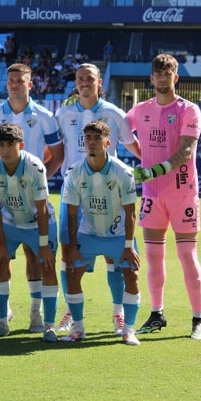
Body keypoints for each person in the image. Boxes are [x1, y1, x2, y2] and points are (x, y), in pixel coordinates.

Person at [54, 63, 141, 334]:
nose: (84, 82)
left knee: (116, 261)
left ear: (99, 81)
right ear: (75, 82)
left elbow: (133, 146)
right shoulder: (63, 113)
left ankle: (118, 314)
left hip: (109, 194)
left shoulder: (114, 113)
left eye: (89, 78)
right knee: (69, 259)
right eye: (79, 78)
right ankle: (71, 312)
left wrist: (154, 171)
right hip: (74, 194)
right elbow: (57, 152)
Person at [127, 53, 201, 341]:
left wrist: (153, 169)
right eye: (158, 73)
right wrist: (141, 157)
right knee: (153, 255)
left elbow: (186, 151)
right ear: (151, 78)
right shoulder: (140, 110)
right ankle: (157, 313)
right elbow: (122, 130)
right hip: (152, 195)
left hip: (182, 193)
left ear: (176, 77)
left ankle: (198, 319)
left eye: (168, 72)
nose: (163, 77)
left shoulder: (189, 110)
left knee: (186, 254)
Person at [0, 63, 64, 333]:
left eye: (21, 80)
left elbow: (57, 154)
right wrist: (6, 182)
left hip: (35, 204)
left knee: (37, 259)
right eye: (11, 80)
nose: (15, 84)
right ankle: (1, 318)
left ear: (31, 84)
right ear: (6, 83)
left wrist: (36, 180)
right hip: (6, 208)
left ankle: (37, 314)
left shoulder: (44, 116)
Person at [61, 121, 141, 345]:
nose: (92, 143)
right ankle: (78, 329)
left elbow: (131, 213)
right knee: (72, 273)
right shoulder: (75, 172)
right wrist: (74, 247)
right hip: (89, 234)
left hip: (118, 237)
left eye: (97, 138)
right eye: (88, 138)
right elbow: (72, 214)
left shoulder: (123, 172)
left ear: (107, 142)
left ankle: (128, 330)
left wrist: (128, 247)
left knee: (132, 276)